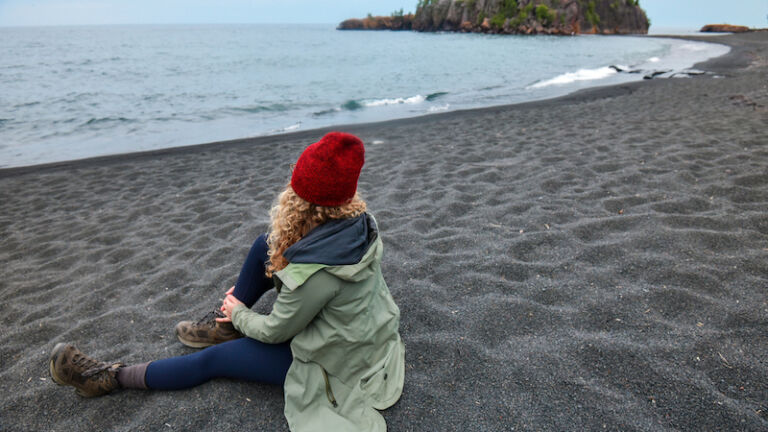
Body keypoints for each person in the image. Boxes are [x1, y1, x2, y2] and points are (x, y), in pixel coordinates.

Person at [48, 132, 406, 432]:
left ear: (304, 201)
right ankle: (224, 328)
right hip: (357, 328)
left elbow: (275, 332)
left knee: (214, 362)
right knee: (263, 246)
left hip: (334, 361)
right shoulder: (359, 221)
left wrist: (238, 313)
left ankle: (109, 377)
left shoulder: (316, 276)